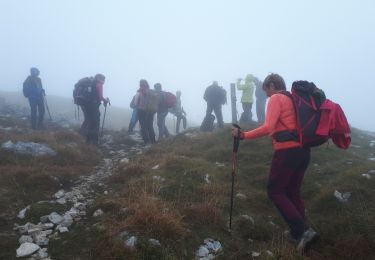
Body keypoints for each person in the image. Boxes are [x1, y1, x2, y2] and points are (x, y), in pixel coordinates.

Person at [231, 73, 317, 252]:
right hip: (303, 151)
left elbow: (269, 127)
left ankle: (302, 231)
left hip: (287, 151)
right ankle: (299, 232)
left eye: (266, 90)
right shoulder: (293, 99)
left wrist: (244, 135)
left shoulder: (277, 98)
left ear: (271, 85)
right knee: (292, 191)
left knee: (275, 191)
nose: (267, 95)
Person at [80, 74, 109, 145]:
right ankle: (94, 141)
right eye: (104, 80)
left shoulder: (91, 83)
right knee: (96, 123)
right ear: (101, 79)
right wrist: (106, 100)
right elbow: (100, 97)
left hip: (87, 105)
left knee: (90, 121)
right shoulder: (99, 84)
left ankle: (87, 140)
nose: (104, 82)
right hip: (94, 106)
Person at [134, 79, 156, 144]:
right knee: (150, 125)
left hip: (141, 111)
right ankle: (153, 141)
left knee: (143, 126)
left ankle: (146, 141)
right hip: (150, 111)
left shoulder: (139, 92)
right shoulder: (150, 92)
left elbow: (135, 103)